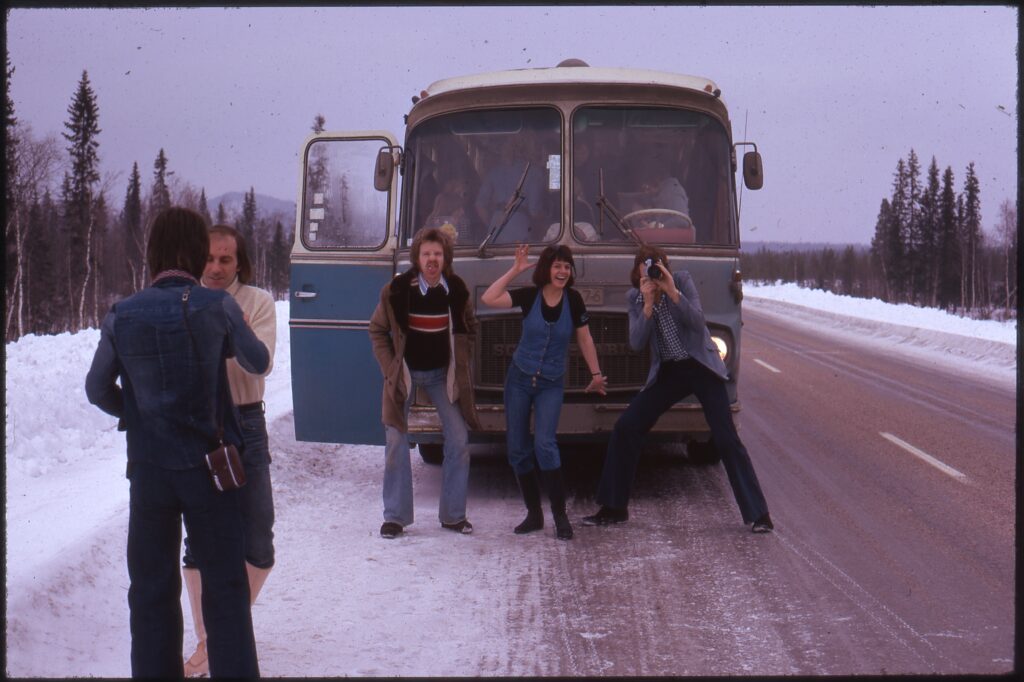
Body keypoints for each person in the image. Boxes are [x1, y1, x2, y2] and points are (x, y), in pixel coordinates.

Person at [85, 207, 268, 678]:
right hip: (212, 469)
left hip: (149, 472)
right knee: (225, 589)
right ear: (193, 251)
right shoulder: (217, 304)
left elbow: (96, 389)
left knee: (150, 590)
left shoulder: (121, 312)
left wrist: (142, 412)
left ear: (154, 251)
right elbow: (257, 359)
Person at [581, 245, 773, 533]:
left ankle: (759, 515)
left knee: (725, 437)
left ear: (667, 266)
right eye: (647, 267)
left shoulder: (681, 281)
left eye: (659, 265)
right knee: (627, 426)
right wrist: (646, 306)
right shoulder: (634, 297)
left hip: (702, 368)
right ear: (637, 272)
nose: (654, 271)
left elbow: (697, 322)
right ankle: (614, 507)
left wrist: (672, 292)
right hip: (669, 372)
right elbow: (635, 343)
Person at [180, 224, 277, 676]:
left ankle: (224, 629)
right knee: (198, 543)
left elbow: (261, 361)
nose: (216, 267)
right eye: (209, 259)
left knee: (259, 539)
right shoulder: (181, 300)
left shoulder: (256, 302)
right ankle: (208, 642)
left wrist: (223, 317)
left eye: (225, 259)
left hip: (247, 420)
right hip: (200, 425)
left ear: (240, 263)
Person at [481, 244, 608, 540]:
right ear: (547, 269)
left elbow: (586, 339)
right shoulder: (529, 296)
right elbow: (489, 297)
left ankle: (560, 517)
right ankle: (534, 514)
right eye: (557, 266)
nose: (562, 271)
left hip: (551, 383)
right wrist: (515, 269)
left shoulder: (573, 301)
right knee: (517, 448)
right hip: (519, 380)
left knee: (546, 446)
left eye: (567, 266)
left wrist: (597, 375)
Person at [368, 227, 481, 539]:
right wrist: (390, 367)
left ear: (445, 259)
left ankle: (454, 516)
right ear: (417, 258)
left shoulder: (456, 290)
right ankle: (395, 517)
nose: (432, 259)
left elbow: (471, 328)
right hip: (404, 375)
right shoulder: (397, 290)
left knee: (459, 438)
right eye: (427, 254)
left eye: (438, 254)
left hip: (439, 377)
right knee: (395, 441)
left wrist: (461, 360)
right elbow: (376, 330)